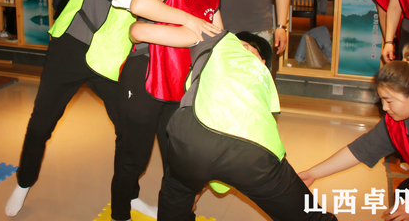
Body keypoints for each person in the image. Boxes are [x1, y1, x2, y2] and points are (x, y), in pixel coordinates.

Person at [5, 0, 163, 217]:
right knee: (42, 122)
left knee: (129, 131)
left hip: (113, 60)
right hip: (73, 45)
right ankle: (23, 181)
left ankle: (128, 197)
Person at [129, 21, 337, 221]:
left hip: (194, 140)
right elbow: (228, 168)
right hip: (253, 149)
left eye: (250, 48)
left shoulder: (219, 41)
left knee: (177, 194)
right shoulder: (238, 56)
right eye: (241, 43)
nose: (244, 47)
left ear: (262, 62)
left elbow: (137, 31)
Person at [110, 0, 223, 221]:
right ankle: (120, 215)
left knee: (179, 164)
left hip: (182, 85)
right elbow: (140, 3)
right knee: (133, 158)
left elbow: (216, 35)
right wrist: (190, 20)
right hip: (146, 77)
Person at [299, 49, 409, 220]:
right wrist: (313, 173)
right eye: (382, 100)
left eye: (389, 101)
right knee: (407, 193)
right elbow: (361, 150)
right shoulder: (395, 121)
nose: (385, 108)